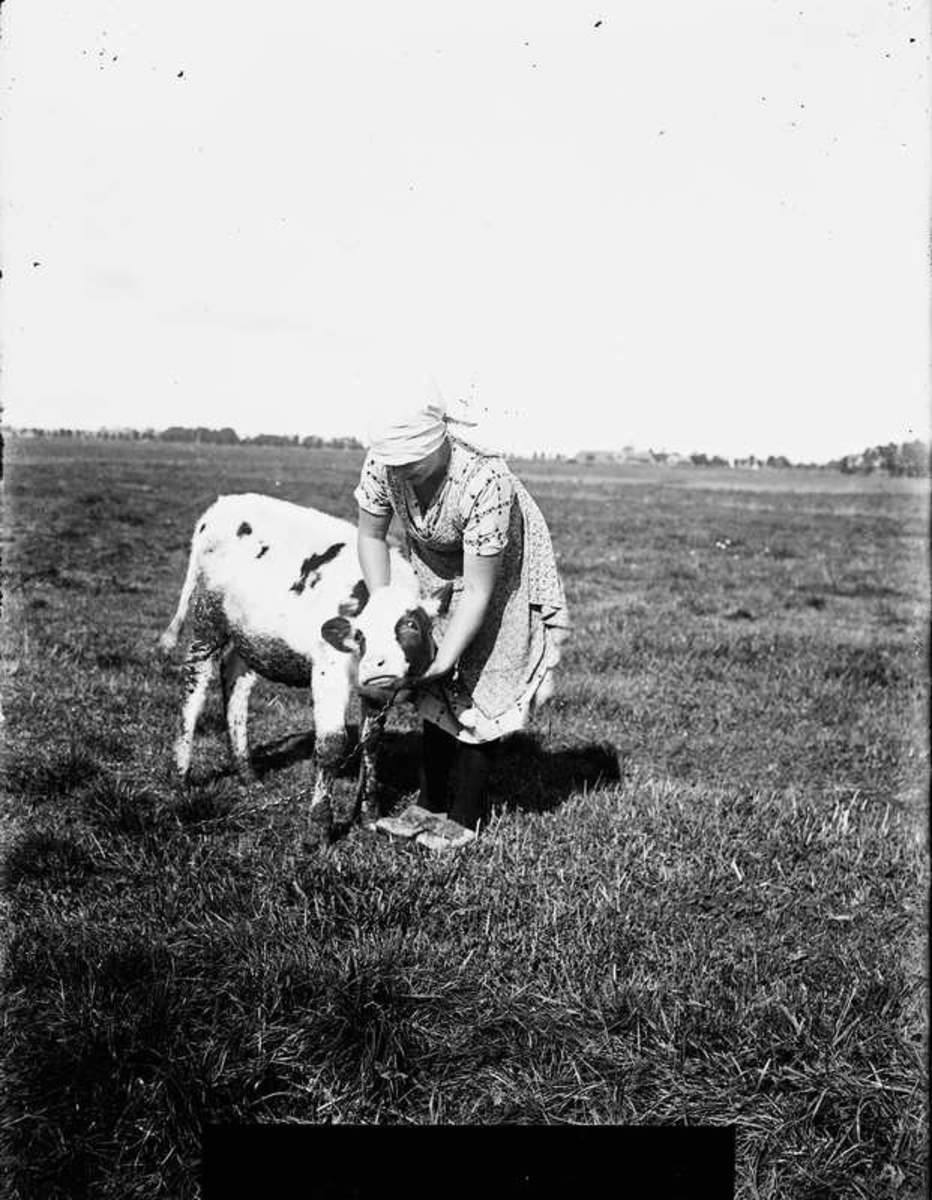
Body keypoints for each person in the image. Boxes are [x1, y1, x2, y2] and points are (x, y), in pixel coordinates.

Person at [353, 382, 569, 852]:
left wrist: (447, 656)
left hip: (498, 575)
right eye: (395, 461)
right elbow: (370, 535)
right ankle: (428, 805)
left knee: (479, 673)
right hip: (434, 566)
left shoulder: (484, 480)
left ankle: (464, 817)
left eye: (413, 460)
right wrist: (385, 608)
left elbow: (478, 590)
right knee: (434, 686)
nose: (401, 471)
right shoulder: (384, 463)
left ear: (439, 440)